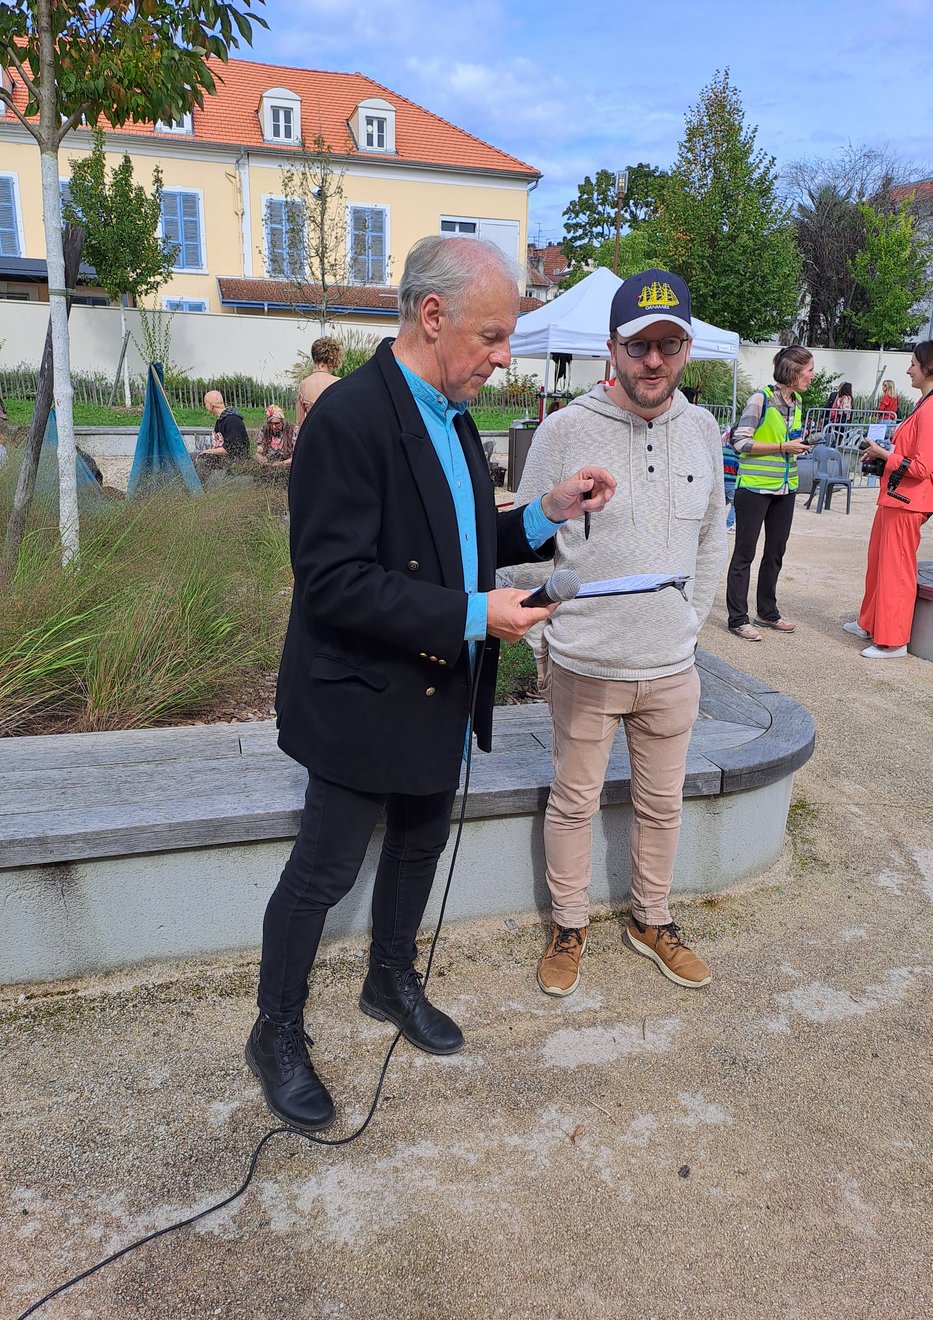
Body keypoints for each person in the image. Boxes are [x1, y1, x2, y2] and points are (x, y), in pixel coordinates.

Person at [246, 235, 616, 1130]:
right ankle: (276, 1030)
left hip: (436, 685)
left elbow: (463, 542)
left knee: (419, 847)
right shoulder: (347, 417)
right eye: (493, 336)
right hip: (361, 695)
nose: (504, 357)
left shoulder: (451, 413)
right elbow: (332, 582)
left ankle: (389, 979)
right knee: (322, 873)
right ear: (433, 315)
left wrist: (546, 513)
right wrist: (475, 615)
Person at [514, 268, 727, 998]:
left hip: (671, 667)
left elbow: (712, 535)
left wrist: (691, 622)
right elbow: (526, 542)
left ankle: (650, 918)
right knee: (573, 801)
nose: (653, 361)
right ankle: (569, 924)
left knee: (662, 805)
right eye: (639, 345)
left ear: (686, 350)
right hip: (586, 663)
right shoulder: (564, 430)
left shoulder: (702, 430)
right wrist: (543, 642)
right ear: (612, 349)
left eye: (669, 345)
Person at [844, 340, 933, 659]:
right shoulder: (928, 402)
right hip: (897, 497)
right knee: (879, 563)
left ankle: (893, 640)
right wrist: (886, 452)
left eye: (913, 364)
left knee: (896, 570)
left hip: (909, 501)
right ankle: (870, 623)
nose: (909, 370)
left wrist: (884, 454)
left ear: (928, 368)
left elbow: (923, 467)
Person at [725, 346, 815, 641]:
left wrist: (798, 446)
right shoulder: (760, 398)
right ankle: (738, 618)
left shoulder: (797, 402)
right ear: (794, 371)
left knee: (775, 552)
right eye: (809, 370)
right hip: (754, 488)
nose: (812, 376)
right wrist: (782, 447)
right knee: (745, 554)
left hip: (785, 488)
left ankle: (767, 612)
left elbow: (787, 440)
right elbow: (740, 441)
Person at [196, 391, 250, 477]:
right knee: (193, 456)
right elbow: (219, 444)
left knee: (203, 460)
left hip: (236, 459)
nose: (205, 406)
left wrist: (209, 452)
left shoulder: (232, 420)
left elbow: (233, 446)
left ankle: (200, 485)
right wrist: (210, 451)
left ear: (211, 405)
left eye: (205, 403)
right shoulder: (221, 420)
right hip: (226, 456)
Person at [295, 336, 342, 425]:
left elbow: (300, 422)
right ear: (332, 358)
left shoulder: (304, 384)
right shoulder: (338, 383)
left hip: (312, 432)